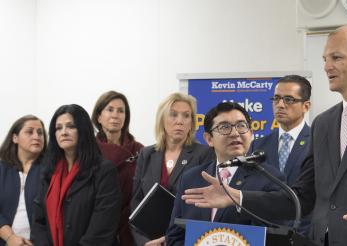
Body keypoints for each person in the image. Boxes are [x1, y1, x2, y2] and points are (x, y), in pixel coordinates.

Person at [182, 25, 347, 246]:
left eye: (336, 58)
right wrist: (237, 197)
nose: (327, 66)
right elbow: (300, 198)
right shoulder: (324, 123)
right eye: (325, 59)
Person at [166, 102, 285, 246]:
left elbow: (277, 235)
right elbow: (175, 236)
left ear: (251, 134)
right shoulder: (191, 179)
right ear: (209, 139)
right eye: (224, 127)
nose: (235, 133)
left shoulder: (270, 178)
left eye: (241, 126)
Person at [131, 92, 215, 246]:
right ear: (162, 119)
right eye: (173, 115)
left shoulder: (204, 154)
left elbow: (204, 207)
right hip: (149, 240)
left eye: (186, 116)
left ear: (192, 122)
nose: (180, 121)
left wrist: (171, 239)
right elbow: (136, 202)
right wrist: (143, 242)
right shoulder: (147, 154)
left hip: (184, 239)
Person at [31, 104, 122, 246]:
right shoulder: (49, 172)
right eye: (58, 128)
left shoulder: (104, 170)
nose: (64, 132)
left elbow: (102, 228)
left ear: (83, 130)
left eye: (71, 126)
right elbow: (38, 222)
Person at [249, 74, 312, 235]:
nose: (280, 105)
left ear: (306, 106)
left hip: (304, 234)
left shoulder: (317, 143)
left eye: (289, 100)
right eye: (276, 98)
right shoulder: (258, 145)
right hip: (264, 234)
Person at [92, 90, 144, 245]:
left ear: (125, 117)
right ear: (98, 117)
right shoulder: (88, 151)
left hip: (132, 227)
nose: (115, 115)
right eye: (110, 109)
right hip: (96, 224)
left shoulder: (140, 150)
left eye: (121, 111)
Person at [0, 115, 47, 246]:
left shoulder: (51, 170)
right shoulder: (2, 169)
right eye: (29, 131)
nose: (36, 136)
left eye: (40, 133)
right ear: (15, 138)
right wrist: (10, 238)